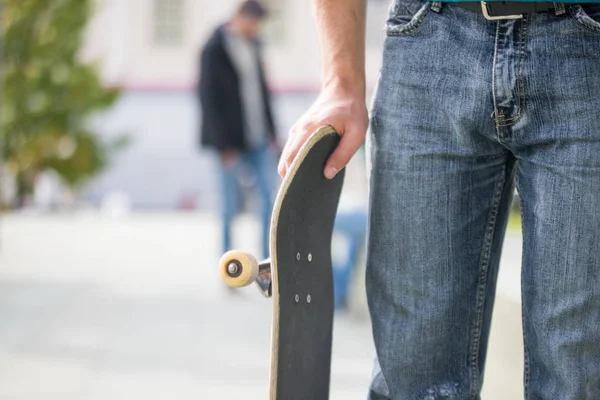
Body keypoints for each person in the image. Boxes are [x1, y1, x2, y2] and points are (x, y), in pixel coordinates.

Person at [278, 1, 600, 399]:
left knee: (580, 375)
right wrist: (340, 81)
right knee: (415, 378)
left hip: (588, 45)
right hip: (429, 36)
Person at [199, 0, 277, 260]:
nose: (257, 27)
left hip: (258, 138)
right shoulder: (214, 48)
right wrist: (222, 146)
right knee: (229, 206)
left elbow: (263, 95)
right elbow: (208, 100)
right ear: (241, 17)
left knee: (271, 200)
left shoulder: (255, 46)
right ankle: (230, 265)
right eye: (254, 21)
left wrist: (273, 134)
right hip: (229, 144)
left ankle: (268, 264)